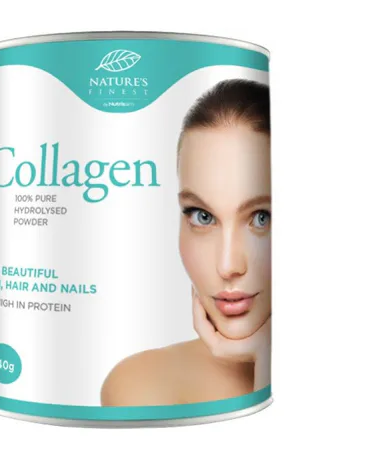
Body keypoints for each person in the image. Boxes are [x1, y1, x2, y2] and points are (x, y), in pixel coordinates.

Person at [101, 79, 272, 406]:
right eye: (202, 216)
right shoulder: (142, 386)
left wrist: (268, 356)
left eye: (261, 218)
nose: (228, 266)